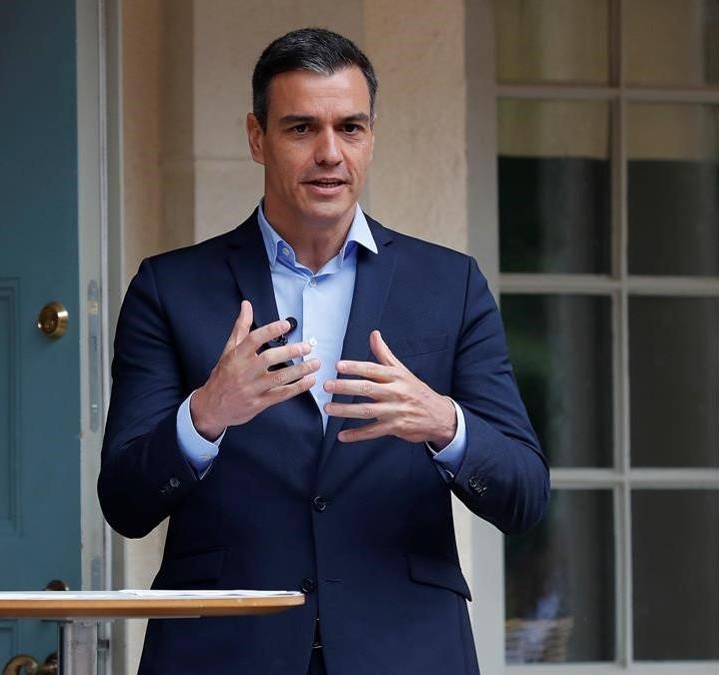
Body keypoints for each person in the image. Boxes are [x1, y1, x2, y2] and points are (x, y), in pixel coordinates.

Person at [98, 28, 549, 675]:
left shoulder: (451, 285)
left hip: (406, 648)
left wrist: (445, 424)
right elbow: (124, 500)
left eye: (351, 127)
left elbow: (526, 493)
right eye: (301, 128)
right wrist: (204, 414)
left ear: (373, 136)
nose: (330, 153)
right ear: (257, 137)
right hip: (222, 651)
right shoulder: (169, 288)